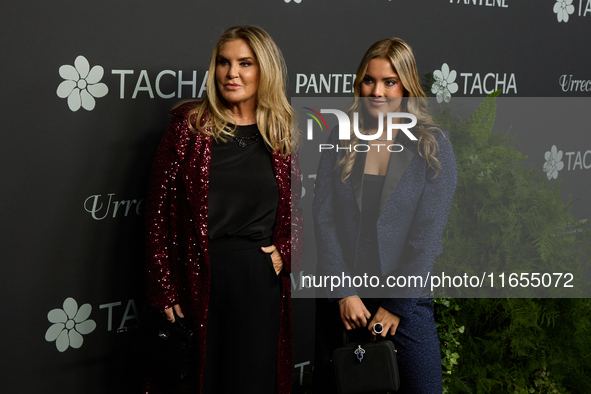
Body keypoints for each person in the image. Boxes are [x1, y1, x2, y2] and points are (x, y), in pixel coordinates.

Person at [145, 25, 302, 394]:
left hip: (259, 284)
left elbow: (299, 211)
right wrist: (164, 289)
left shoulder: (279, 134)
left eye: (245, 63)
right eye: (224, 62)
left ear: (264, 70)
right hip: (200, 277)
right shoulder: (187, 128)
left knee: (254, 382)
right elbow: (156, 219)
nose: (232, 73)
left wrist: (287, 252)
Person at [312, 38, 457, 393]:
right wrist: (344, 292)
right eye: (368, 80)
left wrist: (394, 306)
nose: (377, 91)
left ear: (406, 86)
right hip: (347, 304)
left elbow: (427, 237)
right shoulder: (340, 137)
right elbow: (323, 217)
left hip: (404, 306)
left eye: (389, 82)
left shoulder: (432, 145)